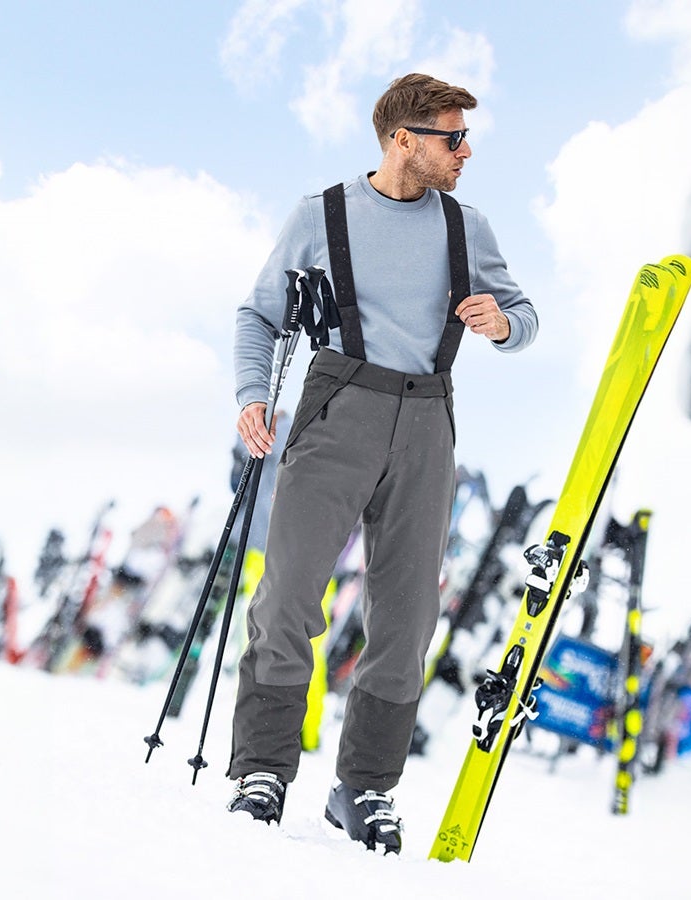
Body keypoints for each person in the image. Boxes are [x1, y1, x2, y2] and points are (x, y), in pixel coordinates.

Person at [227, 73, 538, 854]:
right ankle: (262, 770)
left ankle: (364, 788)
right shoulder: (321, 215)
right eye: (451, 136)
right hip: (339, 406)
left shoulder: (469, 229)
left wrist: (502, 324)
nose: (465, 151)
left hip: (430, 418)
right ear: (404, 139)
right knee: (291, 590)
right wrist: (251, 394)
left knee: (405, 619)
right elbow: (258, 314)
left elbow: (525, 316)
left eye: (466, 137)